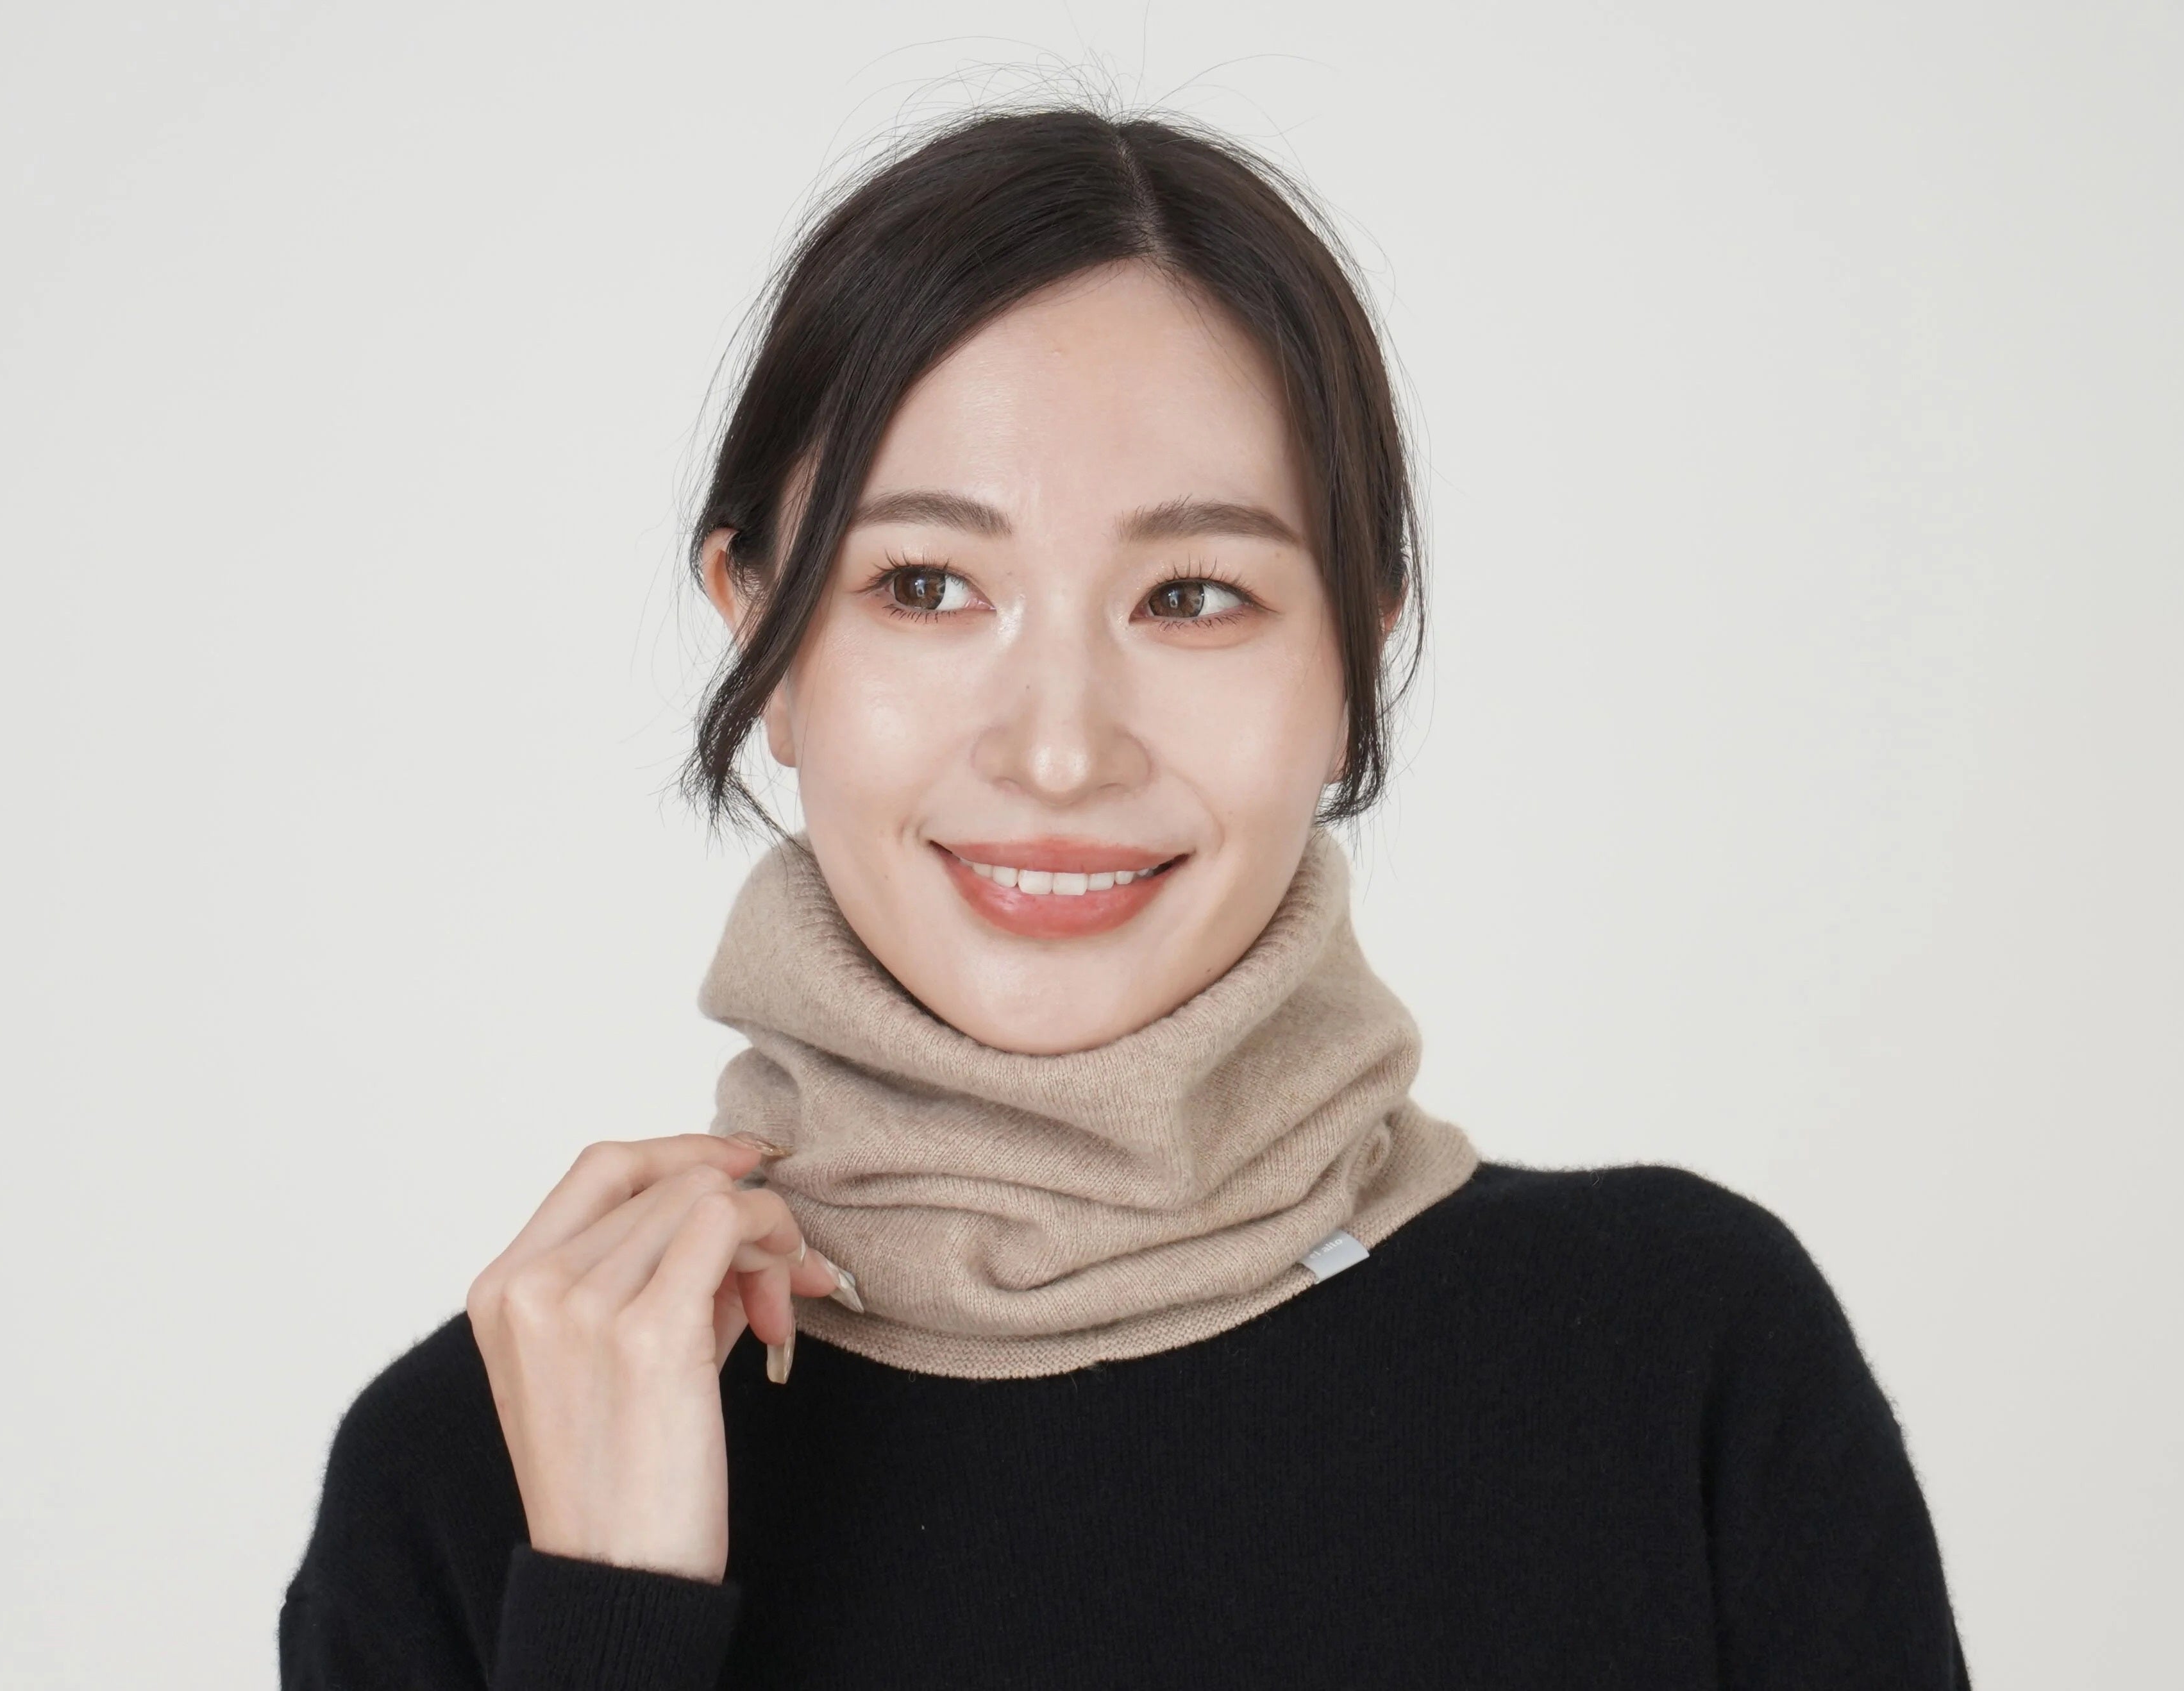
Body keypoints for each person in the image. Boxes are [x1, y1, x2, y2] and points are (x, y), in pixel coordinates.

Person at [279, 106, 1966, 1690]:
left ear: (1357, 649)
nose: (1062, 751)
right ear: (764, 638)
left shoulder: (1674, 1359)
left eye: (1193, 596)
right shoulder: (488, 1464)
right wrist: (607, 1619)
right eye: (924, 584)